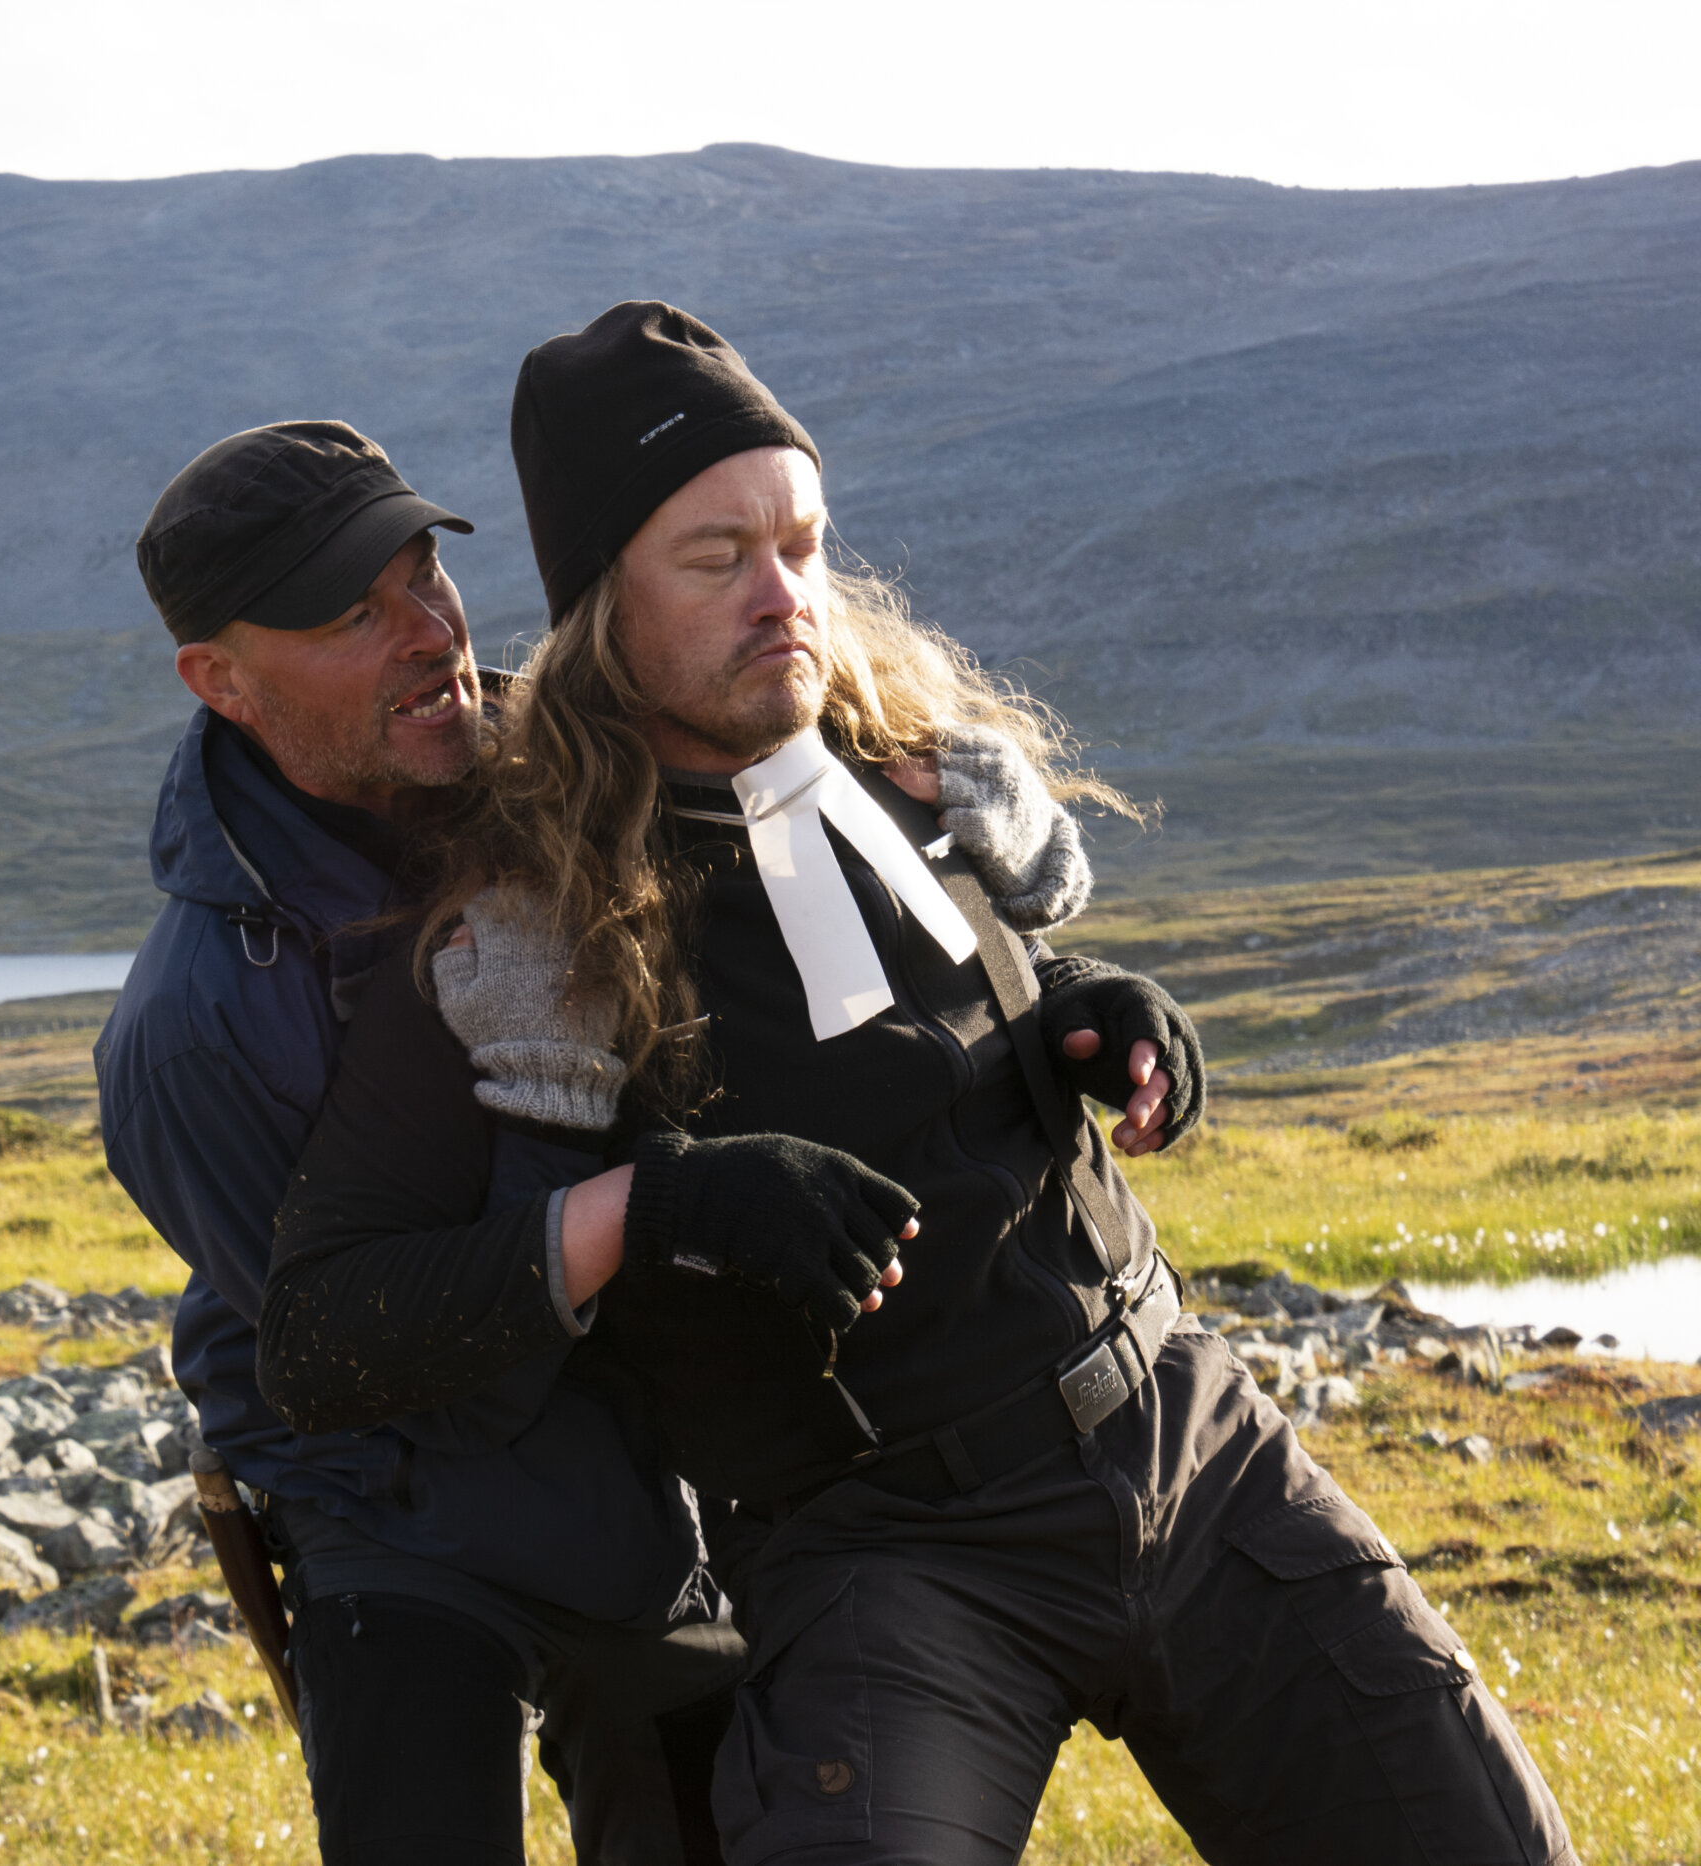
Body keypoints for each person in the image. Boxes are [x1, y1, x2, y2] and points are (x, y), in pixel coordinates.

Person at [259, 305, 1573, 1865]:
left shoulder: (909, 772)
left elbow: (910, 1033)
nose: (784, 596)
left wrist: (1085, 1010)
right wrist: (660, 1202)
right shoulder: (531, 918)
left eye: (803, 544)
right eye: (716, 558)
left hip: (1189, 1443)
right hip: (890, 1556)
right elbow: (319, 1333)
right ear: (604, 604)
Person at [97, 418, 1094, 1866]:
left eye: (423, 573)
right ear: (220, 680)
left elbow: (804, 850)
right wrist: (638, 1191)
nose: (429, 634)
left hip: (645, 1452)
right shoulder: (196, 1030)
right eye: (349, 615)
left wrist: (1021, 919)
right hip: (389, 1500)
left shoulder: (566, 770)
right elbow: (385, 1372)